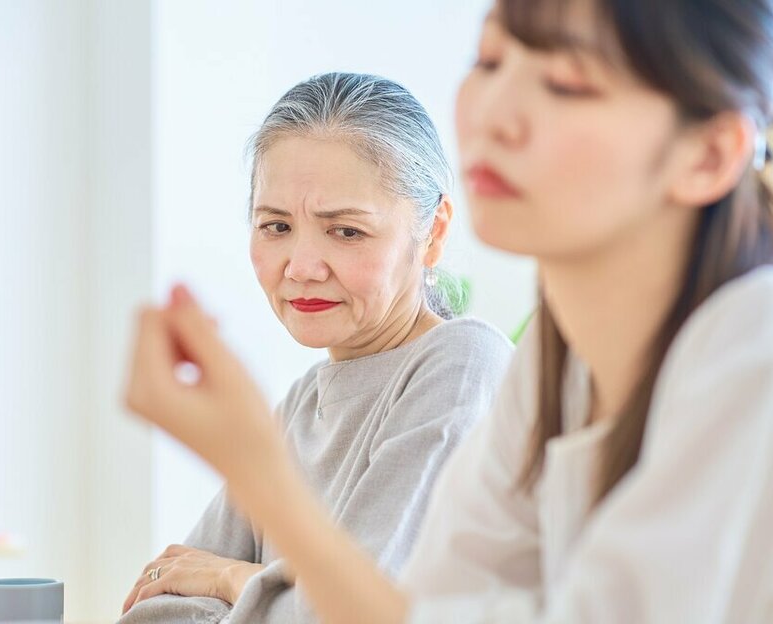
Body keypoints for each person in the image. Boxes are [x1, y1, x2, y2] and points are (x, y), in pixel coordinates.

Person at [123, 1, 773, 622]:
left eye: (567, 84)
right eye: (490, 60)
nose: (495, 113)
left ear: (708, 155)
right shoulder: (556, 370)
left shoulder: (772, 345)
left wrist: (259, 485)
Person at [118, 72, 513, 623]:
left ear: (434, 232)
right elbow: (159, 605)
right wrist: (272, 597)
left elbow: (369, 615)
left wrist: (233, 577)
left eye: (346, 231)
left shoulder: (463, 367)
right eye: (276, 226)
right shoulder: (302, 404)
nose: (301, 267)